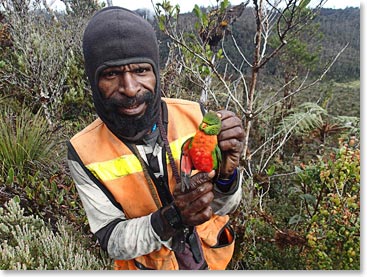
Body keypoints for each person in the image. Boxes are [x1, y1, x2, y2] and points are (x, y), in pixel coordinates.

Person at [67, 6, 245, 270]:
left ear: (156, 72)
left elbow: (222, 206)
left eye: (140, 70)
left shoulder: (196, 117)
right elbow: (112, 240)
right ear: (93, 81)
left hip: (212, 261)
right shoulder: (84, 151)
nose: (129, 88)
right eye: (111, 74)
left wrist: (227, 177)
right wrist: (172, 218)